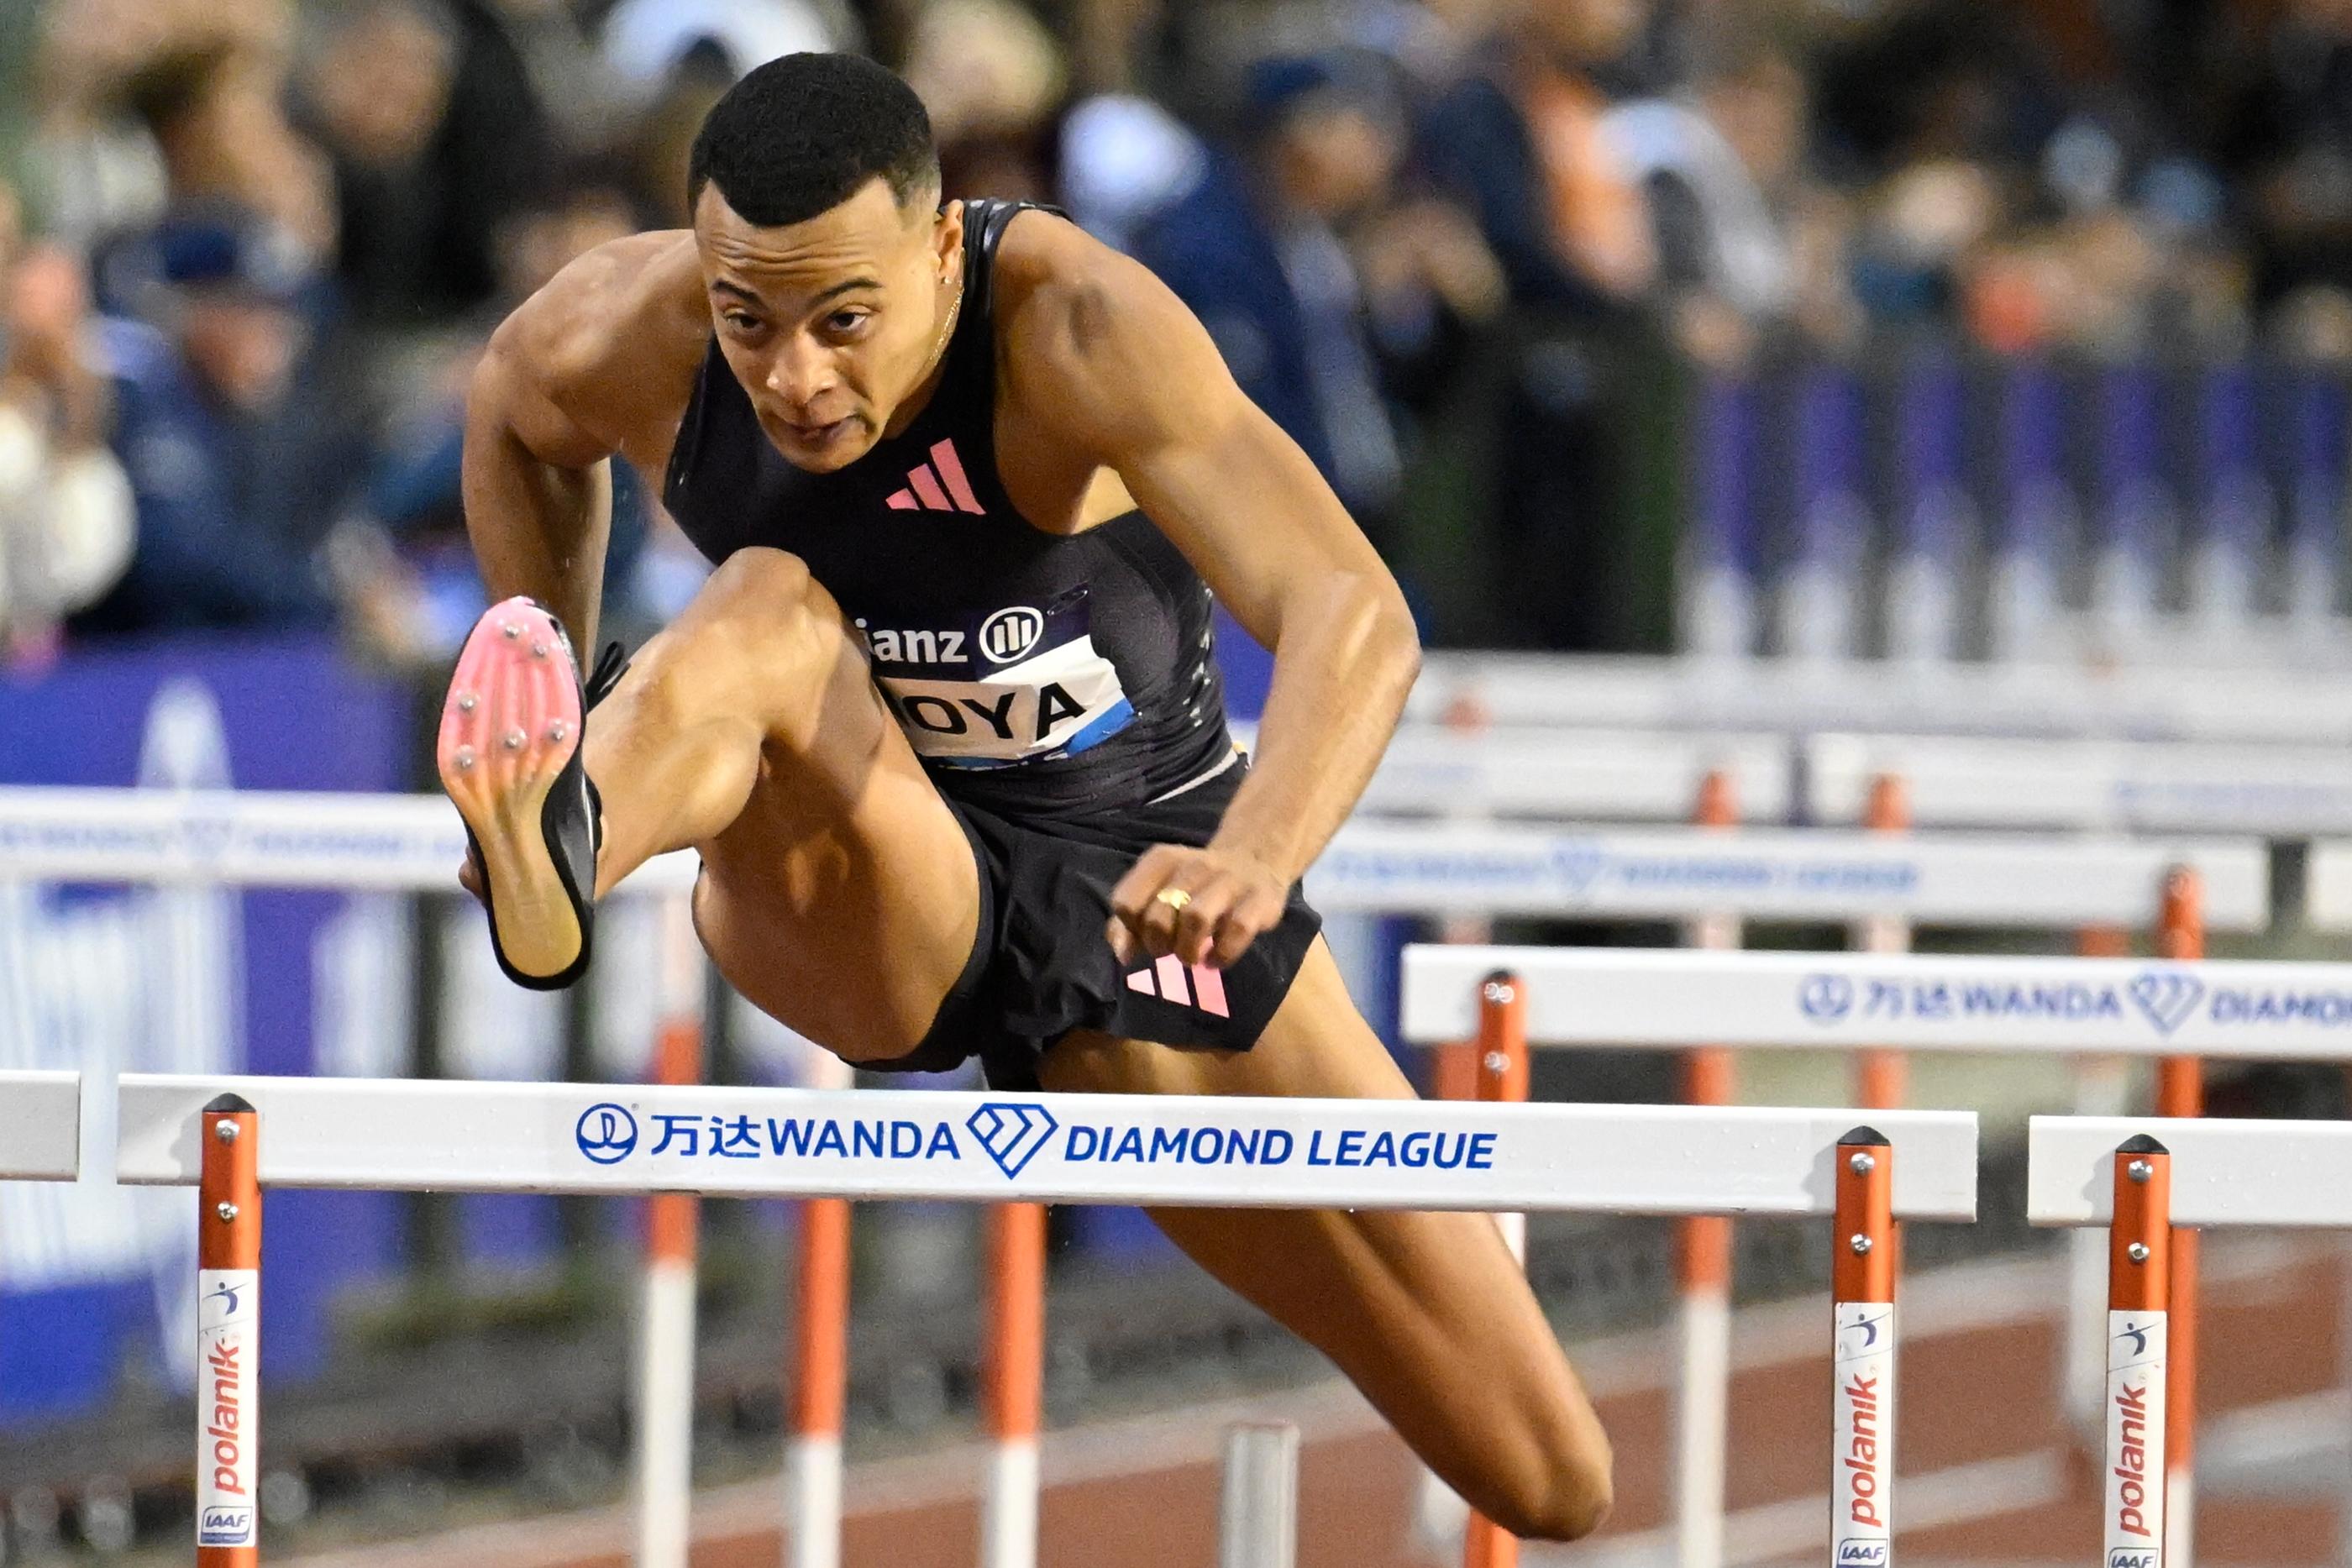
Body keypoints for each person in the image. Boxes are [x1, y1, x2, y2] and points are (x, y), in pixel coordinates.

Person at [439, 52, 1610, 1538]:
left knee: (1547, 1472)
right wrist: (546, 641)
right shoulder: (628, 326)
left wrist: (1258, 858)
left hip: (1145, 889)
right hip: (870, 884)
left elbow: (1349, 610)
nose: (795, 375)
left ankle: (586, 789)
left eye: (845, 320)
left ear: (942, 249)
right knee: (762, 610)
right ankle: (567, 814)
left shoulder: (1076, 324)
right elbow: (513, 413)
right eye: (752, 321)